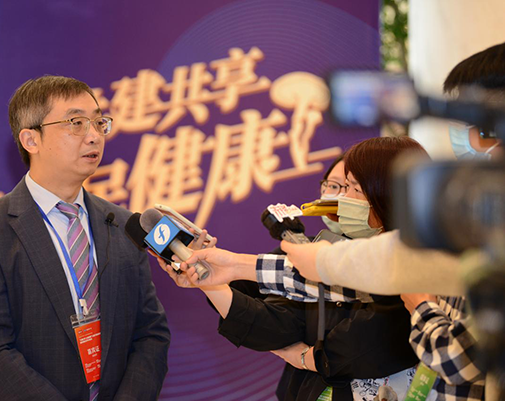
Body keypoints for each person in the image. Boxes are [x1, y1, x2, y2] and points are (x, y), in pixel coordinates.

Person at [0, 75, 170, 401]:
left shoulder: (124, 225)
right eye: (76, 123)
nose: (94, 136)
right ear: (31, 139)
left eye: (99, 123)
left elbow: (151, 333)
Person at [162, 139, 426, 400]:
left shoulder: (415, 255)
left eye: (352, 188)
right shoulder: (336, 255)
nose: (341, 199)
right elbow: (302, 284)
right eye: (335, 186)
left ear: (388, 192)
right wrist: (218, 275)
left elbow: (359, 337)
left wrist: (306, 358)